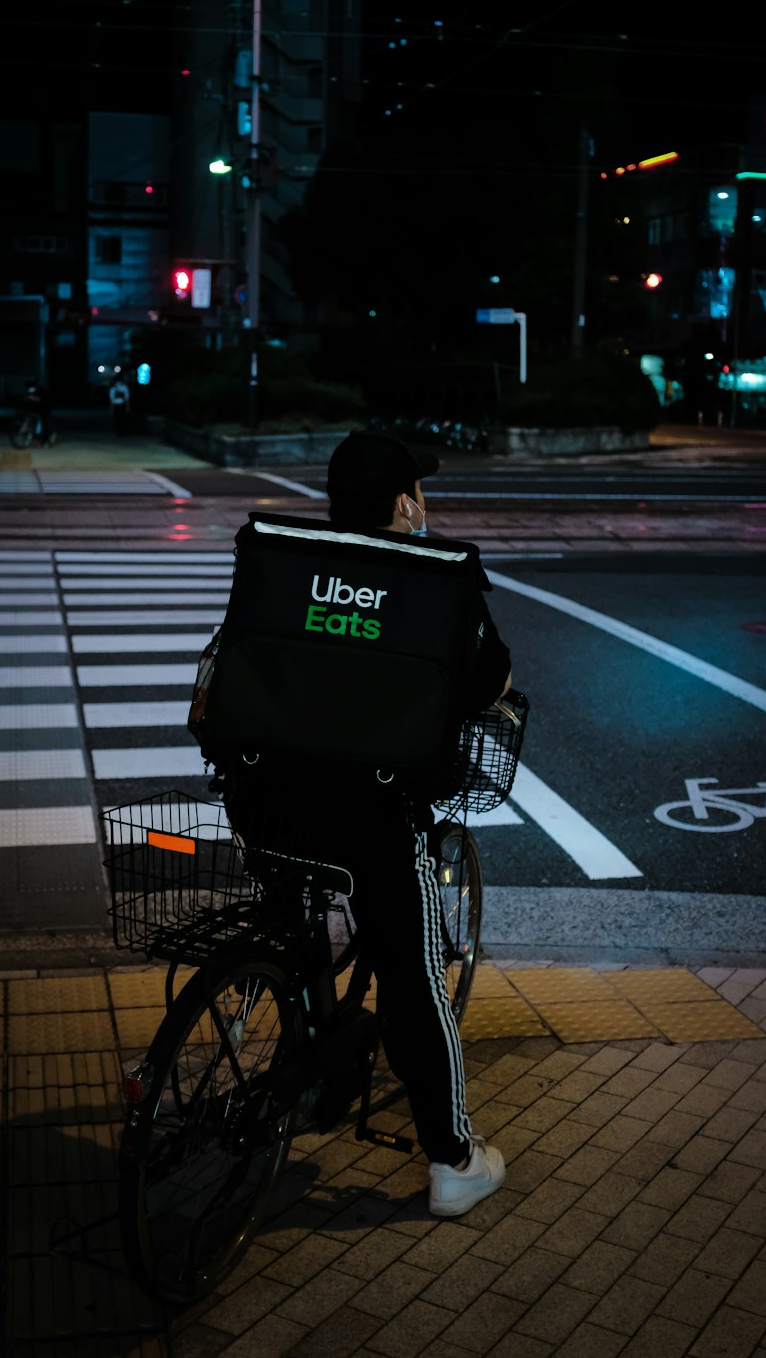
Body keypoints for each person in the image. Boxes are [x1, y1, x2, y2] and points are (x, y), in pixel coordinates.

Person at [223, 430, 513, 1217]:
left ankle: (315, 1066)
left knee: (293, 917)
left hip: (263, 800)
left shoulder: (279, 555)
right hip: (371, 818)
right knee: (413, 972)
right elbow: (491, 679)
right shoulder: (433, 578)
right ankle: (454, 1162)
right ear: (403, 503)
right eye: (418, 492)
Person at [23, 382, 55, 446]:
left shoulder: (41, 391)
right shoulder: (29, 391)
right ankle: (30, 435)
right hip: (36, 408)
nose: (30, 389)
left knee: (44, 423)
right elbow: (27, 400)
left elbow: (43, 400)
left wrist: (34, 398)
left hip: (44, 408)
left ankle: (45, 442)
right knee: (30, 420)